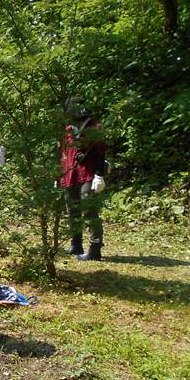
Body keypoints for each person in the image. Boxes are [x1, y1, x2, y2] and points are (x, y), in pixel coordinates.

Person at [61, 98, 106, 261]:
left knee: (89, 211)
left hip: (88, 174)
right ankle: (76, 244)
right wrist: (59, 174)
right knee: (72, 211)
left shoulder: (94, 127)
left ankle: (95, 249)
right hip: (70, 175)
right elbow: (64, 153)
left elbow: (101, 152)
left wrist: (99, 174)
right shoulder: (68, 129)